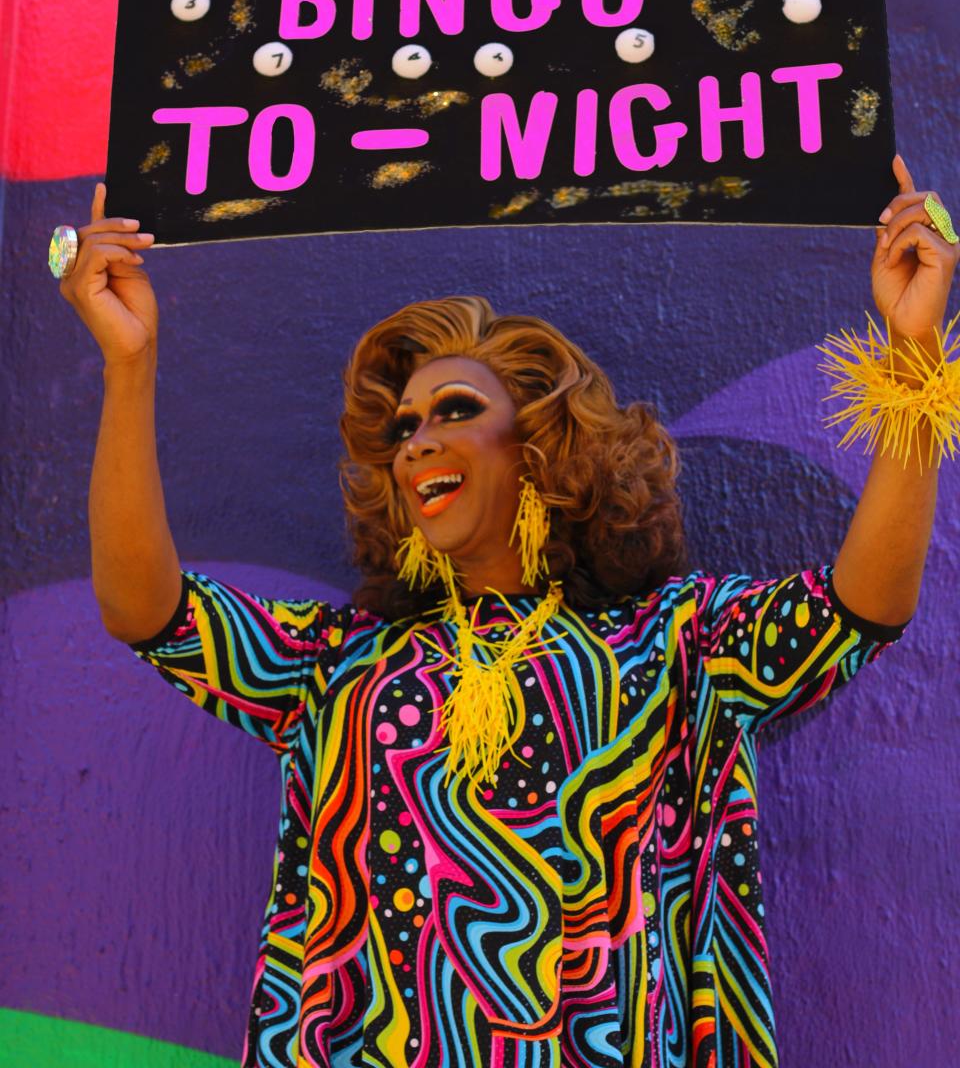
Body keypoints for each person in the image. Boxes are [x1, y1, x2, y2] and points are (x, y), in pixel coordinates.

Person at [57, 156, 958, 1068]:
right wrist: (130, 364)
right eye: (404, 428)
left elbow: (866, 603)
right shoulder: (336, 666)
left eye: (453, 410)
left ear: (539, 445)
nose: (418, 444)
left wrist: (914, 348)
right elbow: (148, 610)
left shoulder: (677, 645)